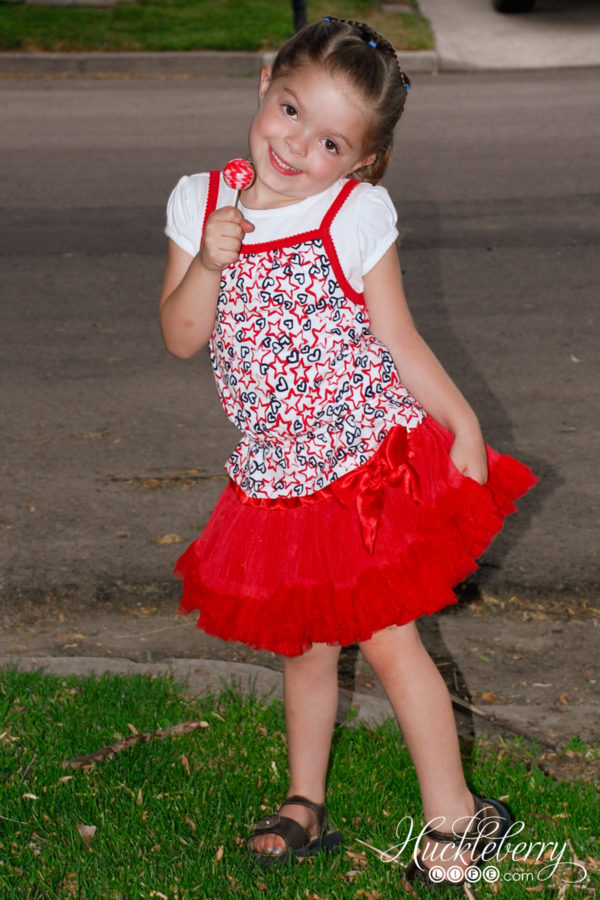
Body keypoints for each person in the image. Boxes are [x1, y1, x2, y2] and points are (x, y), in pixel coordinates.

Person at [159, 17, 537, 886]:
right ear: (264, 82)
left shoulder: (355, 213)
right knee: (305, 645)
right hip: (275, 479)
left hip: (365, 468)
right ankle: (306, 800)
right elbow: (182, 338)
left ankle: (457, 819)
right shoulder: (198, 199)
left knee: (391, 639)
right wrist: (209, 262)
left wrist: (466, 425)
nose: (297, 144)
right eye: (290, 110)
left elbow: (398, 337)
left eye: (329, 139)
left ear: (359, 160)